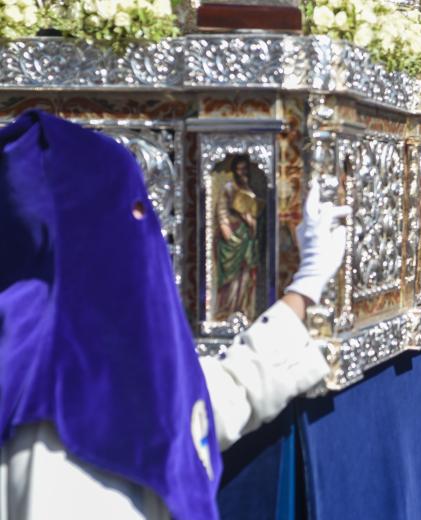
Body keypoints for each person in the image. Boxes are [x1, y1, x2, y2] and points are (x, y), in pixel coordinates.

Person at [0, 111, 350, 519]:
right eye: (136, 209)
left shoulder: (84, 351)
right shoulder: (59, 422)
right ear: (93, 232)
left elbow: (195, 406)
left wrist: (305, 287)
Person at [215, 154, 261, 320]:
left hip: (247, 236)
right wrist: (227, 232)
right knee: (231, 278)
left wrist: (252, 221)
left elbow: (253, 210)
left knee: (246, 274)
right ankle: (227, 309)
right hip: (232, 236)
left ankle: (244, 308)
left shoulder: (249, 188)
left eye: (244, 169)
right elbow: (221, 211)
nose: (242, 172)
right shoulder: (229, 187)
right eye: (239, 169)